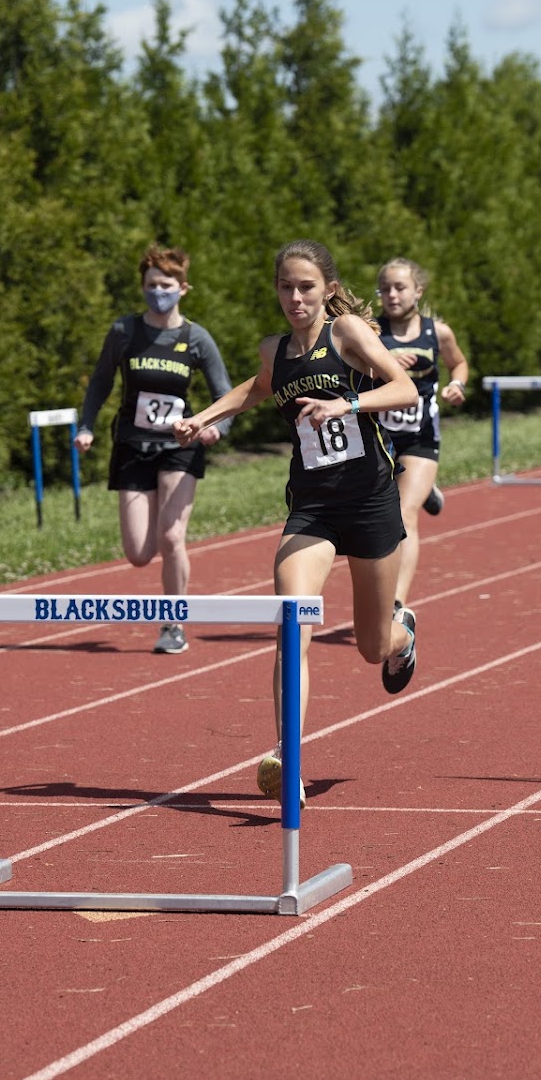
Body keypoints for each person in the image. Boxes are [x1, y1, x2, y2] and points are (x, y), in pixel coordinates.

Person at [173, 239, 420, 806]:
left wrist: (346, 404)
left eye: (306, 287)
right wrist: (201, 418)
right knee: (293, 624)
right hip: (312, 507)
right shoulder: (275, 349)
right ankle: (289, 757)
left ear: (327, 290)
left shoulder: (348, 332)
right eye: (286, 287)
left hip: (370, 501)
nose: (295, 298)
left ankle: (404, 634)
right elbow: (258, 387)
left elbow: (403, 387)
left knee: (372, 646)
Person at [75, 243, 233, 655]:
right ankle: (169, 612)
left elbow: (225, 394)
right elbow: (100, 381)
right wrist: (86, 426)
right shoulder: (124, 332)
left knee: (172, 536)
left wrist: (216, 428)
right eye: (151, 285)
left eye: (165, 285)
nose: (157, 292)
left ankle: (173, 624)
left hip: (180, 446)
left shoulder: (195, 338)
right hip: (133, 445)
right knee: (139, 553)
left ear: (183, 288)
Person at [375, 256, 468, 615]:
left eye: (399, 288)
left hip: (420, 436)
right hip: (379, 437)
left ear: (418, 290)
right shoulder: (369, 332)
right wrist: (381, 366)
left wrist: (457, 385)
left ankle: (396, 602)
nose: (392, 295)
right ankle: (424, 487)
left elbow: (458, 363)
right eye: (385, 289)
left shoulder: (437, 332)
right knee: (378, 518)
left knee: (404, 513)